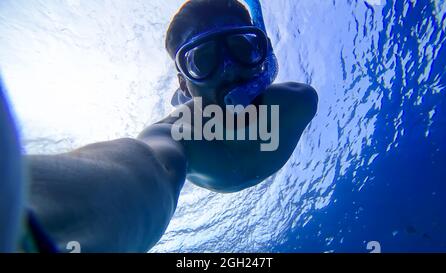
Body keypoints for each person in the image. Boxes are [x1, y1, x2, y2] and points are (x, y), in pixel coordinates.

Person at [3, 0, 318, 253]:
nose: (229, 71)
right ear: (186, 83)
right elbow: (147, 165)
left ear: (263, 58)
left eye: (243, 48)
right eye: (203, 60)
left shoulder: (298, 103)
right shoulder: (179, 132)